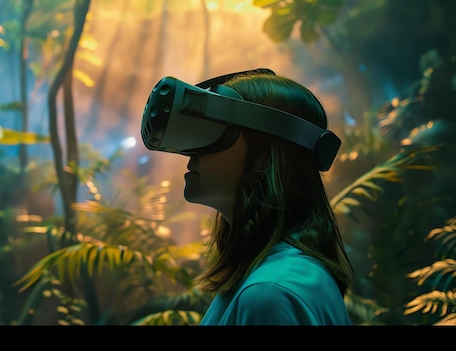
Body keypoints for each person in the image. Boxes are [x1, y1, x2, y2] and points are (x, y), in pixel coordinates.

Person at [143, 68, 355, 325]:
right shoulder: (284, 275)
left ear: (265, 150)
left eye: (216, 130)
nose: (192, 153)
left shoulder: (270, 294)